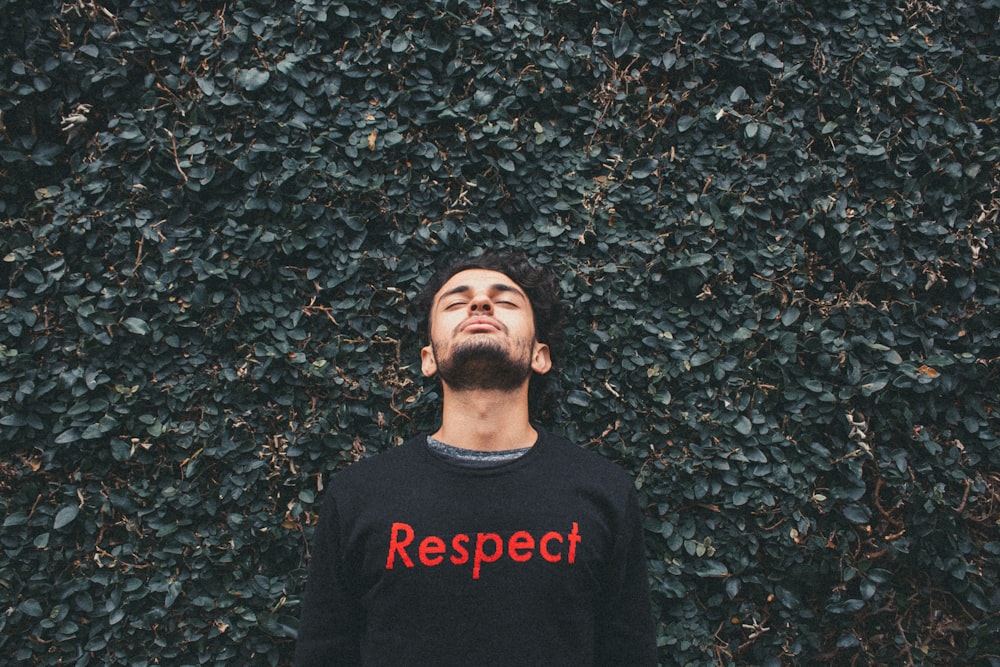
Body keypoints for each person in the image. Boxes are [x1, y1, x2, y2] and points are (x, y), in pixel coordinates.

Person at [294, 250, 657, 666]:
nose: (480, 304)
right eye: (455, 301)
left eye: (504, 300)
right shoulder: (358, 494)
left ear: (541, 355)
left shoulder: (604, 490)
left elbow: (629, 653)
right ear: (428, 359)